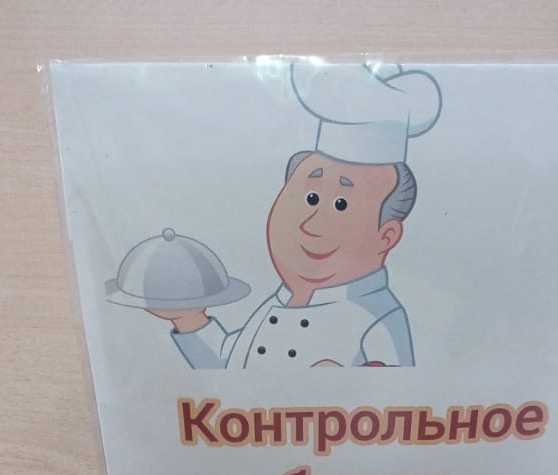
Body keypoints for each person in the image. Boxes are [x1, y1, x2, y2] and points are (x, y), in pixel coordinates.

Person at [148, 64, 441, 369]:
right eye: (310, 198)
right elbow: (230, 368)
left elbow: (399, 390)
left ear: (386, 236)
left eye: (341, 204)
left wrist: (351, 383)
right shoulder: (279, 303)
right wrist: (188, 319)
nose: (311, 223)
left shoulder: (378, 318)